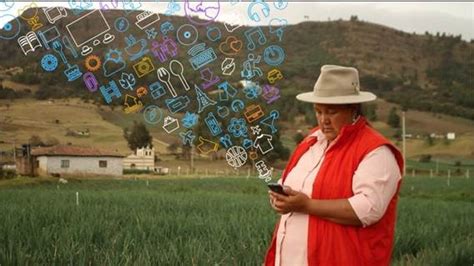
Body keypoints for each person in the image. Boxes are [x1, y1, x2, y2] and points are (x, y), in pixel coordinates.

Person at [264, 65, 404, 266]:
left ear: (353, 109)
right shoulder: (310, 141)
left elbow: (368, 209)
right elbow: (289, 182)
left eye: (331, 112)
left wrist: (307, 205)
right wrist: (281, 198)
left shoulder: (376, 151)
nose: (323, 120)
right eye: (318, 111)